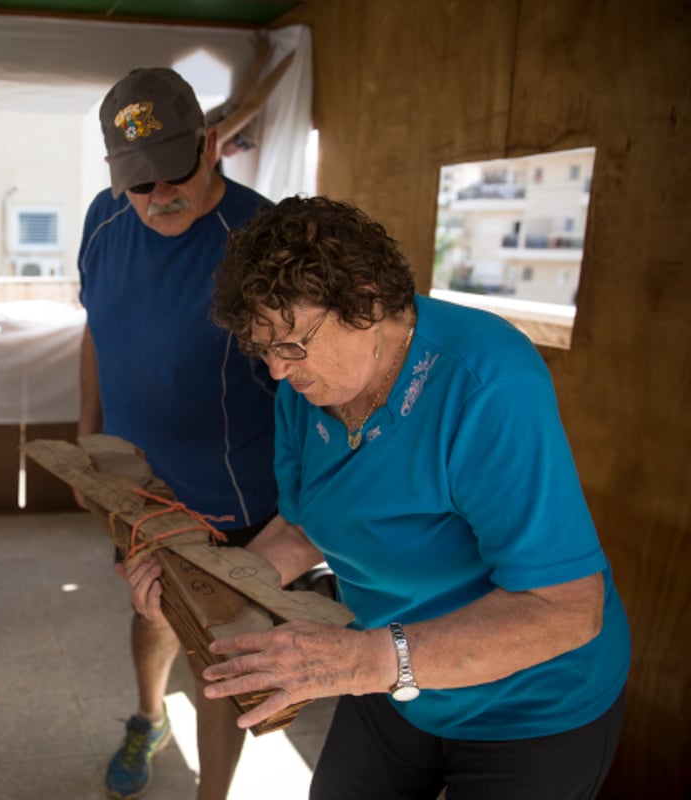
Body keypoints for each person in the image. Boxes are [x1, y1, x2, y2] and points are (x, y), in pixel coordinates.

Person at [125, 196, 631, 799]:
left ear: (365, 302)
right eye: (263, 350)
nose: (279, 373)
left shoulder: (487, 382)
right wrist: (195, 585)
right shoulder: (307, 388)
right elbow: (302, 525)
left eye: (292, 344)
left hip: (527, 701)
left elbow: (568, 607)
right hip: (393, 672)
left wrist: (361, 662)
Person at [78, 67, 279, 800]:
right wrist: (87, 434)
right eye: (140, 182)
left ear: (212, 144)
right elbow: (94, 329)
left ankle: (211, 794)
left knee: (219, 657)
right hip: (136, 487)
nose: (160, 197)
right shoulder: (102, 221)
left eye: (176, 172)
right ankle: (148, 715)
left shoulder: (261, 238)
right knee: (149, 610)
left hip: (232, 493)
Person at [205, 32, 296, 164]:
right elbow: (246, 106)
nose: (235, 151)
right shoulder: (209, 146)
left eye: (242, 143)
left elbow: (249, 106)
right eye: (244, 145)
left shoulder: (210, 143)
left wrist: (286, 62)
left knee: (237, 106)